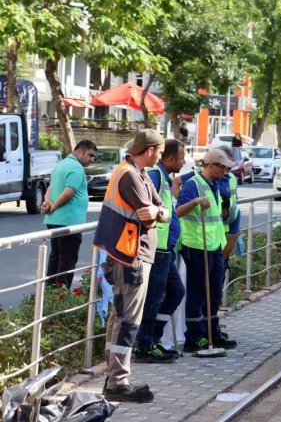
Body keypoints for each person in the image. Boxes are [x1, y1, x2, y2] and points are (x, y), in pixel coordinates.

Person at [92, 129, 167, 403]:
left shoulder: (139, 173)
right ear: (149, 150)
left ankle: (115, 378)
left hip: (129, 256)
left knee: (120, 320)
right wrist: (158, 214)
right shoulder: (131, 176)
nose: (160, 156)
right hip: (129, 257)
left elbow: (160, 210)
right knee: (127, 322)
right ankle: (117, 382)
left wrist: (159, 213)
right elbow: (149, 218)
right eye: (159, 151)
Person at [175, 148, 237, 352]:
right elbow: (178, 212)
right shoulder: (193, 185)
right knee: (198, 292)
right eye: (223, 168)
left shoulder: (215, 184)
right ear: (212, 165)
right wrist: (194, 203)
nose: (226, 172)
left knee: (214, 293)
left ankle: (213, 333)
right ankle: (195, 337)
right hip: (196, 245)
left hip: (214, 246)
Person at [134, 139, 187, 363]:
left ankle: (152, 338)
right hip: (157, 248)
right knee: (154, 298)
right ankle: (145, 346)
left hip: (166, 248)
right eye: (182, 158)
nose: (184, 162)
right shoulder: (155, 175)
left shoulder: (165, 178)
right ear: (170, 158)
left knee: (175, 292)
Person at [42, 140, 96, 288]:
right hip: (69, 221)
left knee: (56, 256)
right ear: (79, 151)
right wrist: (52, 207)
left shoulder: (61, 165)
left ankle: (50, 290)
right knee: (67, 259)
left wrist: (48, 204)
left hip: (55, 220)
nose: (92, 159)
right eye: (90, 155)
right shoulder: (76, 167)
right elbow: (68, 193)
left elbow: (50, 189)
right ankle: (61, 295)